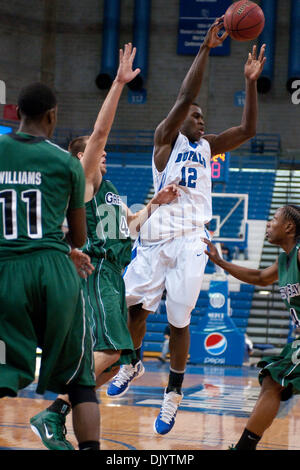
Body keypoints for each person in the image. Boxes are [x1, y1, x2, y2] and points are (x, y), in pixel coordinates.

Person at [106, 17, 267, 436]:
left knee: (179, 319)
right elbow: (185, 94)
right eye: (194, 116)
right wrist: (205, 49)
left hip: (192, 237)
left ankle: (173, 393)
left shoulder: (209, 146)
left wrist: (250, 81)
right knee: (129, 307)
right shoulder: (165, 140)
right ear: (179, 121)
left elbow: (249, 129)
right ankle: (133, 360)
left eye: (201, 117)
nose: (200, 119)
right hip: (157, 235)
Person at [30, 44, 179, 450]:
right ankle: (51, 415)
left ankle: (58, 415)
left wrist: (154, 203)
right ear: (81, 157)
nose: (104, 153)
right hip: (96, 273)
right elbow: (100, 133)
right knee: (115, 352)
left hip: (114, 271)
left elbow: (129, 228)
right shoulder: (85, 178)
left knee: (116, 357)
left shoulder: (110, 189)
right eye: (96, 153)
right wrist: (117, 84)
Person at [0, 82, 100, 450]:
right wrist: (65, 249)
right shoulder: (65, 163)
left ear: (16, 113)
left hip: (6, 274)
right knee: (80, 381)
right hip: (55, 275)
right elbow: (78, 237)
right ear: (52, 116)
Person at [203, 205, 300, 450]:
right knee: (272, 382)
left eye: (273, 219)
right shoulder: (284, 260)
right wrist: (219, 261)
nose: (268, 224)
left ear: (289, 227)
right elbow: (258, 278)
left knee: (273, 382)